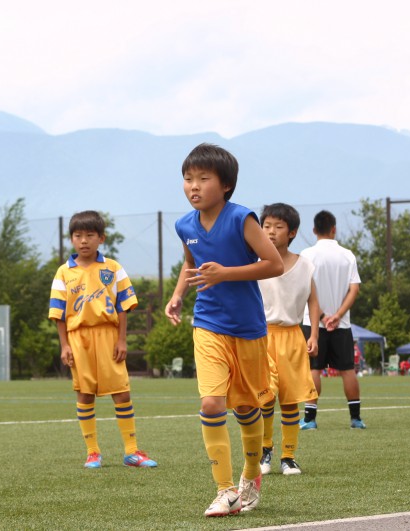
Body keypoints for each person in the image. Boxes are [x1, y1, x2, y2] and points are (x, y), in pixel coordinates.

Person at [164, 143, 284, 517]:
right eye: (188, 179)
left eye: (203, 178)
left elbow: (275, 264)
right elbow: (191, 262)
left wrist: (226, 273)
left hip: (248, 328)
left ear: (226, 185)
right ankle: (225, 489)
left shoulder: (242, 219)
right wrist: (178, 294)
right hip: (208, 323)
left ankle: (251, 476)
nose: (193, 186)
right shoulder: (185, 224)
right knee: (211, 403)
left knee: (248, 407)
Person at [48, 210, 157, 470]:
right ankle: (92, 452)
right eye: (78, 235)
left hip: (109, 335)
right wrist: (64, 345)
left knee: (121, 391)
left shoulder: (113, 268)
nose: (83, 240)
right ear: (72, 239)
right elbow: (59, 314)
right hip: (78, 338)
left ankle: (132, 451)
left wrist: (122, 340)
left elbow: (123, 306)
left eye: (89, 235)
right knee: (85, 394)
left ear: (101, 238)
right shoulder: (64, 272)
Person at [257, 203, 320, 477]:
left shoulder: (305, 265)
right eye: (267, 226)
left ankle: (289, 456)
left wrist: (314, 334)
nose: (271, 232)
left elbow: (314, 301)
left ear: (292, 232)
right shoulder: (254, 263)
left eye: (278, 227)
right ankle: (265, 449)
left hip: (293, 336)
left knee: (291, 399)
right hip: (261, 336)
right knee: (264, 397)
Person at [299, 210, 365, 430]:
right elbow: (354, 289)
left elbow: (304, 290)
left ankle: (310, 419)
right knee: (347, 370)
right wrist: (337, 316)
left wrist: (323, 316)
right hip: (341, 324)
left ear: (314, 230)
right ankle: (355, 419)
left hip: (313, 323)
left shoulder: (307, 255)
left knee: (313, 370)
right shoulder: (347, 255)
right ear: (334, 229)